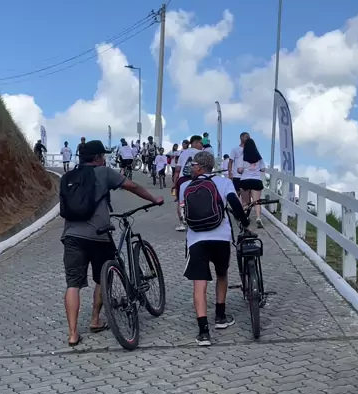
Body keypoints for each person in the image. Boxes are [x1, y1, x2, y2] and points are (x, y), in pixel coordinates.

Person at [60, 140, 163, 347]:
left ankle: (72, 334)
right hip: (98, 235)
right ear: (97, 158)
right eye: (103, 156)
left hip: (71, 236)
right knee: (103, 277)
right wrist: (153, 199)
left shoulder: (67, 177)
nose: (104, 159)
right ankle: (95, 320)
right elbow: (131, 185)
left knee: (73, 284)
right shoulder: (104, 172)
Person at [180, 150, 250, 346]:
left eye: (193, 165)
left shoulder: (185, 186)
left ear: (199, 167)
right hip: (221, 237)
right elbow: (235, 204)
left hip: (196, 239)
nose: (191, 168)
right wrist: (245, 223)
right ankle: (220, 316)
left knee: (199, 284)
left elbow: (182, 213)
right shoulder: (224, 182)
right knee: (222, 274)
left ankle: (203, 332)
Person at [173, 135, 203, 231]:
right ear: (195, 142)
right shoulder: (201, 153)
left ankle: (182, 223)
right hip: (197, 179)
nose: (202, 145)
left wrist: (174, 184)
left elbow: (177, 170)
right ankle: (197, 222)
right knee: (198, 201)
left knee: (181, 202)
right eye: (201, 143)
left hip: (182, 179)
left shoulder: (183, 153)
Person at [237, 138, 266, 228]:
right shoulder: (259, 157)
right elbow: (263, 169)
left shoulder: (242, 157)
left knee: (245, 202)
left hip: (245, 180)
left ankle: (245, 218)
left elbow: (239, 170)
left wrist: (244, 169)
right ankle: (258, 217)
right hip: (256, 181)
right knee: (256, 202)